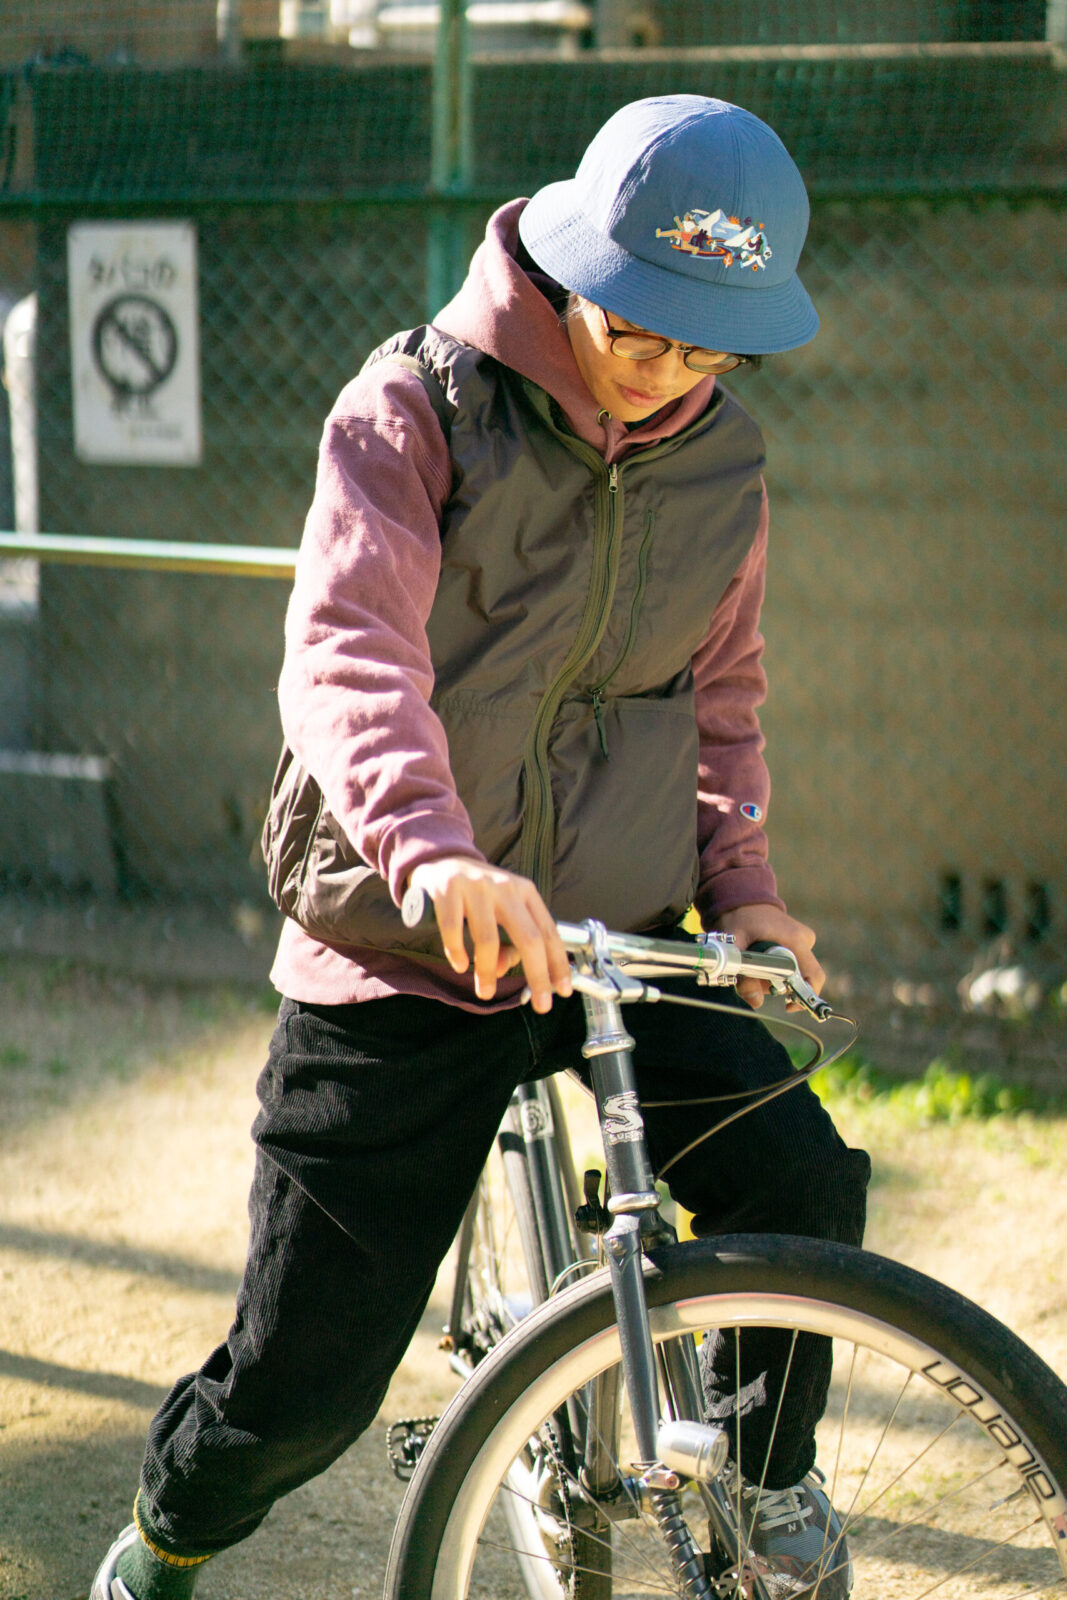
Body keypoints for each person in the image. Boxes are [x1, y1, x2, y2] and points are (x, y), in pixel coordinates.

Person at [92, 94, 870, 1600]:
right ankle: (168, 1536)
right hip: (409, 940)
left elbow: (719, 701)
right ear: (574, 267)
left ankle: (767, 1483)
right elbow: (349, 657)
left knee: (801, 1183)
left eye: (708, 349)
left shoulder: (724, 463)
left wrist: (747, 896)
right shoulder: (414, 408)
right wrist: (433, 854)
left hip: (616, 929)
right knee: (305, 1377)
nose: (663, 373)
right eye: (637, 328)